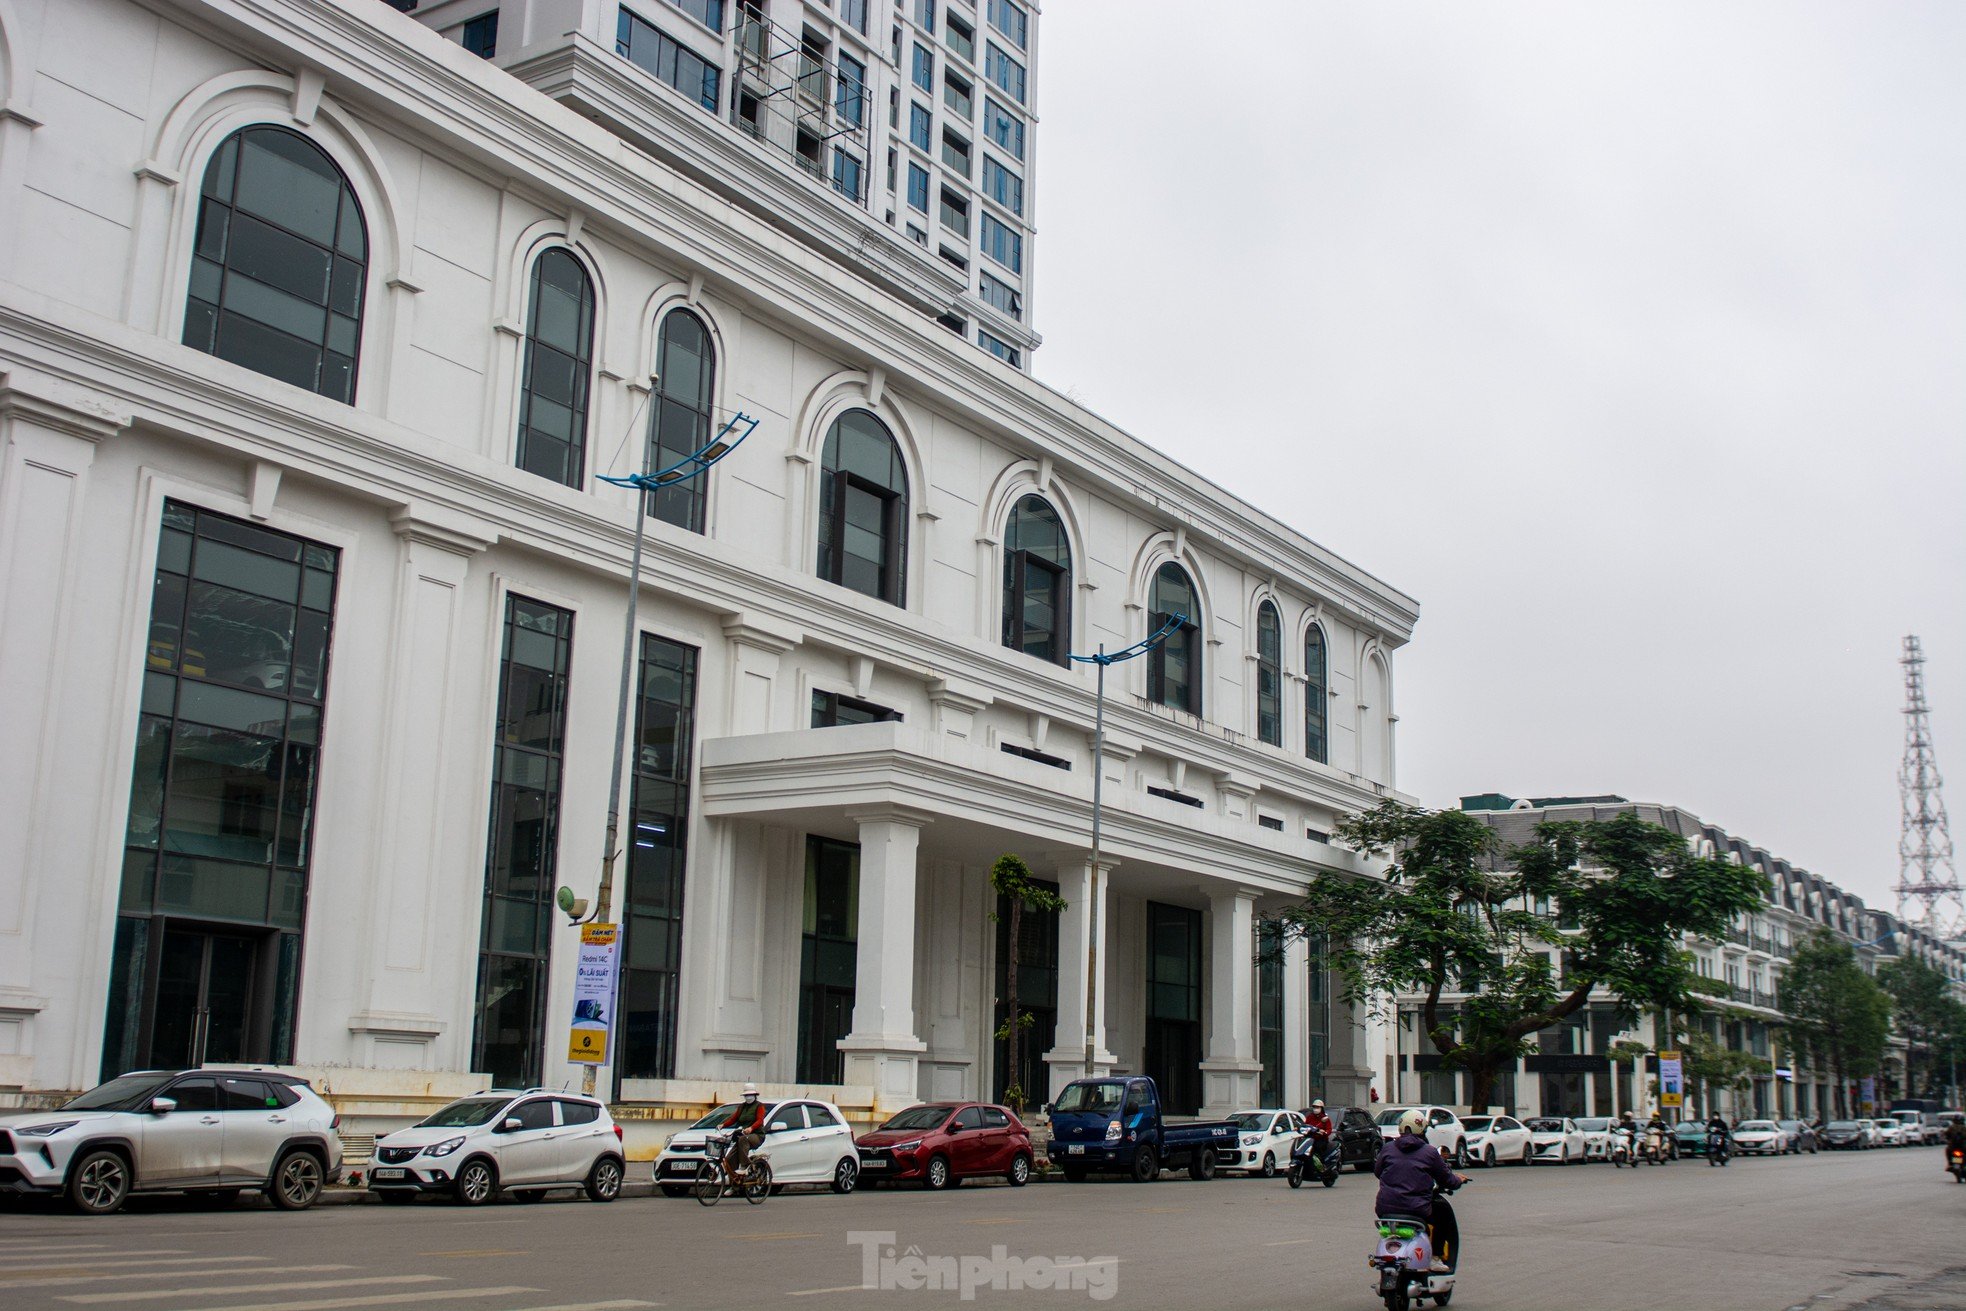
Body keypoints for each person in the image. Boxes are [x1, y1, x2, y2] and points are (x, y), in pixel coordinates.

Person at [1374, 1109, 1467, 1273]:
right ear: (1422, 1130)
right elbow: (1447, 1180)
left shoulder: (1387, 1149)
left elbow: (1377, 1171)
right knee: (1444, 1216)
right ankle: (1436, 1257)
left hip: (1385, 1209)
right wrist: (1458, 1180)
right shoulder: (1430, 1152)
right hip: (1416, 1209)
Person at [719, 1083, 770, 1177]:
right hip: (744, 1136)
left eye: (750, 1095)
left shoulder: (759, 1106)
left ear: (755, 1095)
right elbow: (733, 1118)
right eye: (746, 1095)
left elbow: (760, 1120)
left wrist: (751, 1128)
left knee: (743, 1139)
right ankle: (734, 1184)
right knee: (730, 1158)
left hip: (757, 1135)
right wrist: (723, 1125)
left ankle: (744, 1165)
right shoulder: (742, 1107)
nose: (748, 1097)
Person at [1302, 1099, 1339, 1178]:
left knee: (1318, 1148)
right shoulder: (1310, 1117)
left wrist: (1324, 1132)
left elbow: (1329, 1129)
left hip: (1321, 1139)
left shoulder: (1325, 1118)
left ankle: (1322, 1165)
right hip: (1310, 1138)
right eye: (1314, 1107)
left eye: (1318, 1107)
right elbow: (1305, 1125)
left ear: (1321, 1108)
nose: (1316, 1109)